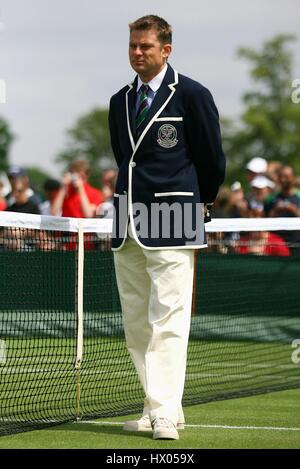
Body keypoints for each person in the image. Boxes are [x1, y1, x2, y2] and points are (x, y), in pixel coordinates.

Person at [109, 15, 225, 440]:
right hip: (127, 221)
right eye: (133, 46)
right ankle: (158, 405)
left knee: (170, 320)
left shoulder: (193, 95)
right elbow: (126, 158)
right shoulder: (119, 100)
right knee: (136, 322)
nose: (137, 53)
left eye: (146, 47)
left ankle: (162, 414)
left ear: (166, 50)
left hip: (175, 217)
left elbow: (212, 160)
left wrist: (201, 203)